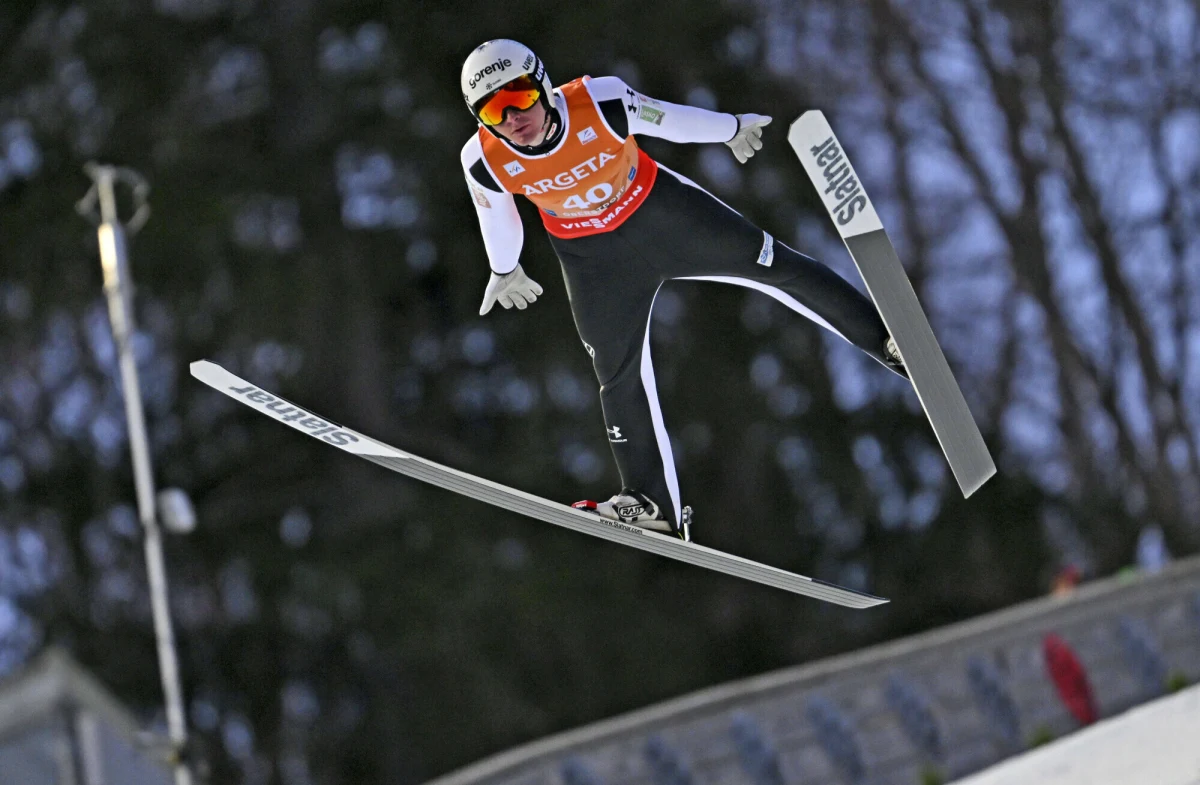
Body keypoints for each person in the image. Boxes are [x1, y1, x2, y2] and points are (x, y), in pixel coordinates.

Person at [459, 39, 905, 542]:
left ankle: (888, 342)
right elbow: (494, 214)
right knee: (616, 372)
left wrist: (729, 129)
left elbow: (667, 120)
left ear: (541, 83)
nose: (513, 116)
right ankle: (651, 503)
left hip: (664, 216)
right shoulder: (484, 157)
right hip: (593, 261)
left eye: (518, 95)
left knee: (777, 267)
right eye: (494, 109)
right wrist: (504, 268)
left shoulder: (599, 101)